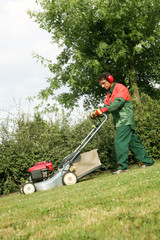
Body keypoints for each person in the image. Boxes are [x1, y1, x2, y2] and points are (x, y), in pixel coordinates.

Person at [90, 72, 154, 174]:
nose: (102, 86)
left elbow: (117, 104)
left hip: (125, 120)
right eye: (101, 84)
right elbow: (106, 107)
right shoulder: (109, 93)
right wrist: (97, 113)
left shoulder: (120, 88)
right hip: (121, 121)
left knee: (119, 142)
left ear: (110, 80)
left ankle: (123, 167)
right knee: (134, 144)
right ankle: (147, 162)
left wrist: (103, 110)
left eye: (103, 83)